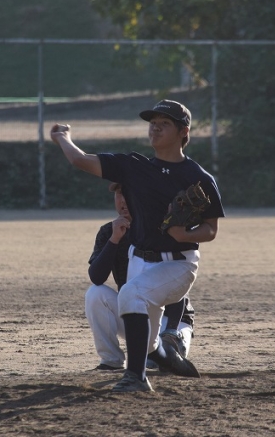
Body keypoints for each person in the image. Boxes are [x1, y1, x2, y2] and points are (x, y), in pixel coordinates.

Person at [50, 99, 225, 392]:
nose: (155, 128)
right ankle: (170, 359)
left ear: (184, 132)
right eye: (152, 123)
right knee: (148, 341)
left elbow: (211, 230)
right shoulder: (133, 167)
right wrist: (62, 138)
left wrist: (184, 234)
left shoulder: (199, 177)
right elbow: (80, 160)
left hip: (178, 263)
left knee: (131, 293)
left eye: (164, 123)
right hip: (138, 261)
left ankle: (136, 378)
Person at [86, 182, 196, 371]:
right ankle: (111, 360)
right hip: (135, 315)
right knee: (95, 294)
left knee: (158, 363)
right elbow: (97, 277)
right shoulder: (109, 231)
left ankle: (168, 346)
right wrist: (114, 239)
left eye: (129, 194)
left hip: (171, 321)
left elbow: (178, 287)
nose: (123, 201)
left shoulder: (162, 228)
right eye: (119, 195)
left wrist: (170, 331)